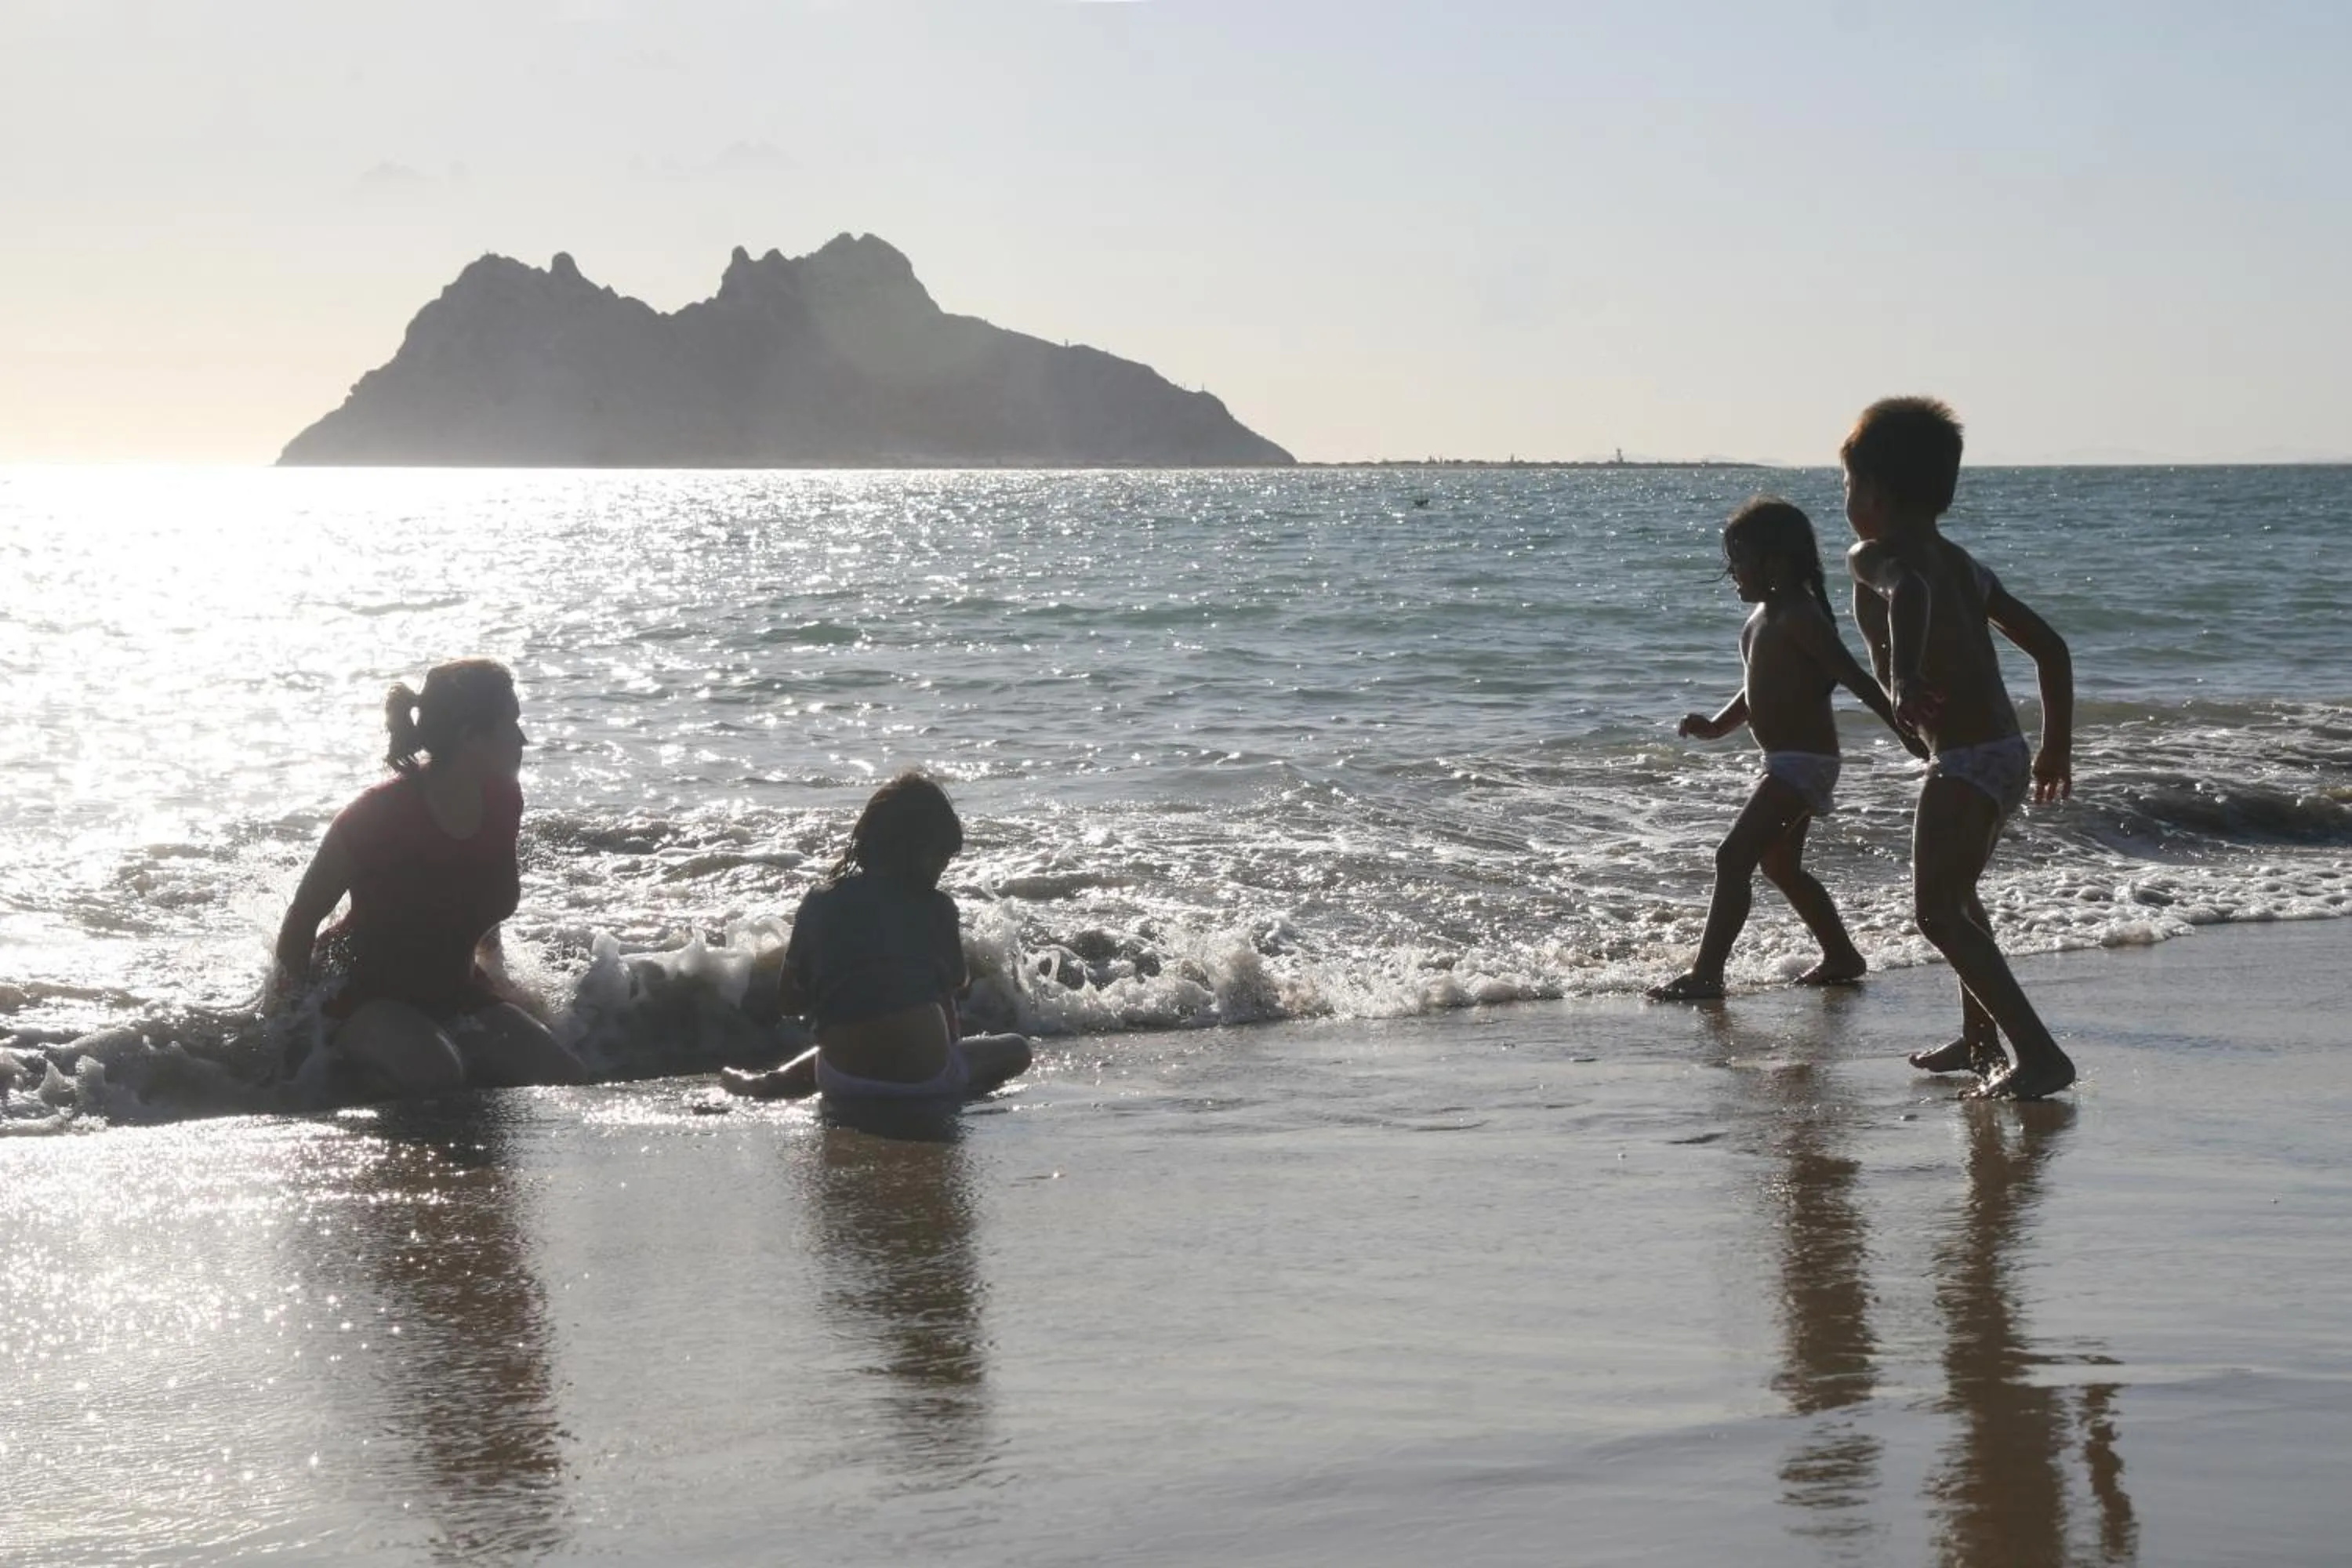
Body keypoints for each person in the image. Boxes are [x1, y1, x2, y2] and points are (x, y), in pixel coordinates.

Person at [1842, 397, 2076, 1100]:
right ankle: (1980, 1041)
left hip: (1967, 760)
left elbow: (1906, 592)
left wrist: (1904, 674)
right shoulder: (1967, 566)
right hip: (2003, 753)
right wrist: (2055, 749)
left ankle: (2039, 1055)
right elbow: (2053, 651)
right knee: (1962, 901)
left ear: (1875, 494)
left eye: (1847, 487)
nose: (1847, 501)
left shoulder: (1873, 556)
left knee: (1937, 913)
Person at [274, 659, 587, 1098]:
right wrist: (290, 1028)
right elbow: (301, 918)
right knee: (439, 1074)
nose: (523, 739)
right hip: (363, 999)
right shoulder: (377, 814)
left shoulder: (503, 799)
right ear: (469, 737)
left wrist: (499, 980)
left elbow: (474, 894)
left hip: (454, 992)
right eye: (510, 725)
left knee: (565, 1076)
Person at [1649, 498, 1919, 1003]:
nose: (1731, 572)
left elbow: (1851, 673)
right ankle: (1842, 955)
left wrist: (1900, 725)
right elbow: (1756, 688)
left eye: (1738, 560)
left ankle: (1708, 973)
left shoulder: (1798, 614)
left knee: (1732, 858)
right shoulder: (1764, 616)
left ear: (1774, 562)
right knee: (1780, 868)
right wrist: (1716, 726)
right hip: (1785, 762)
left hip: (1805, 764)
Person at [722, 771, 1032, 1102]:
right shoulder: (936, 906)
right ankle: (950, 1084)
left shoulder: (820, 899)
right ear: (920, 852)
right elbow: (957, 980)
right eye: (941, 857)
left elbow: (788, 1002)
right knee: (1017, 1049)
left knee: (851, 1033)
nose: (943, 869)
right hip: (925, 1079)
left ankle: (775, 1081)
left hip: (842, 1081)